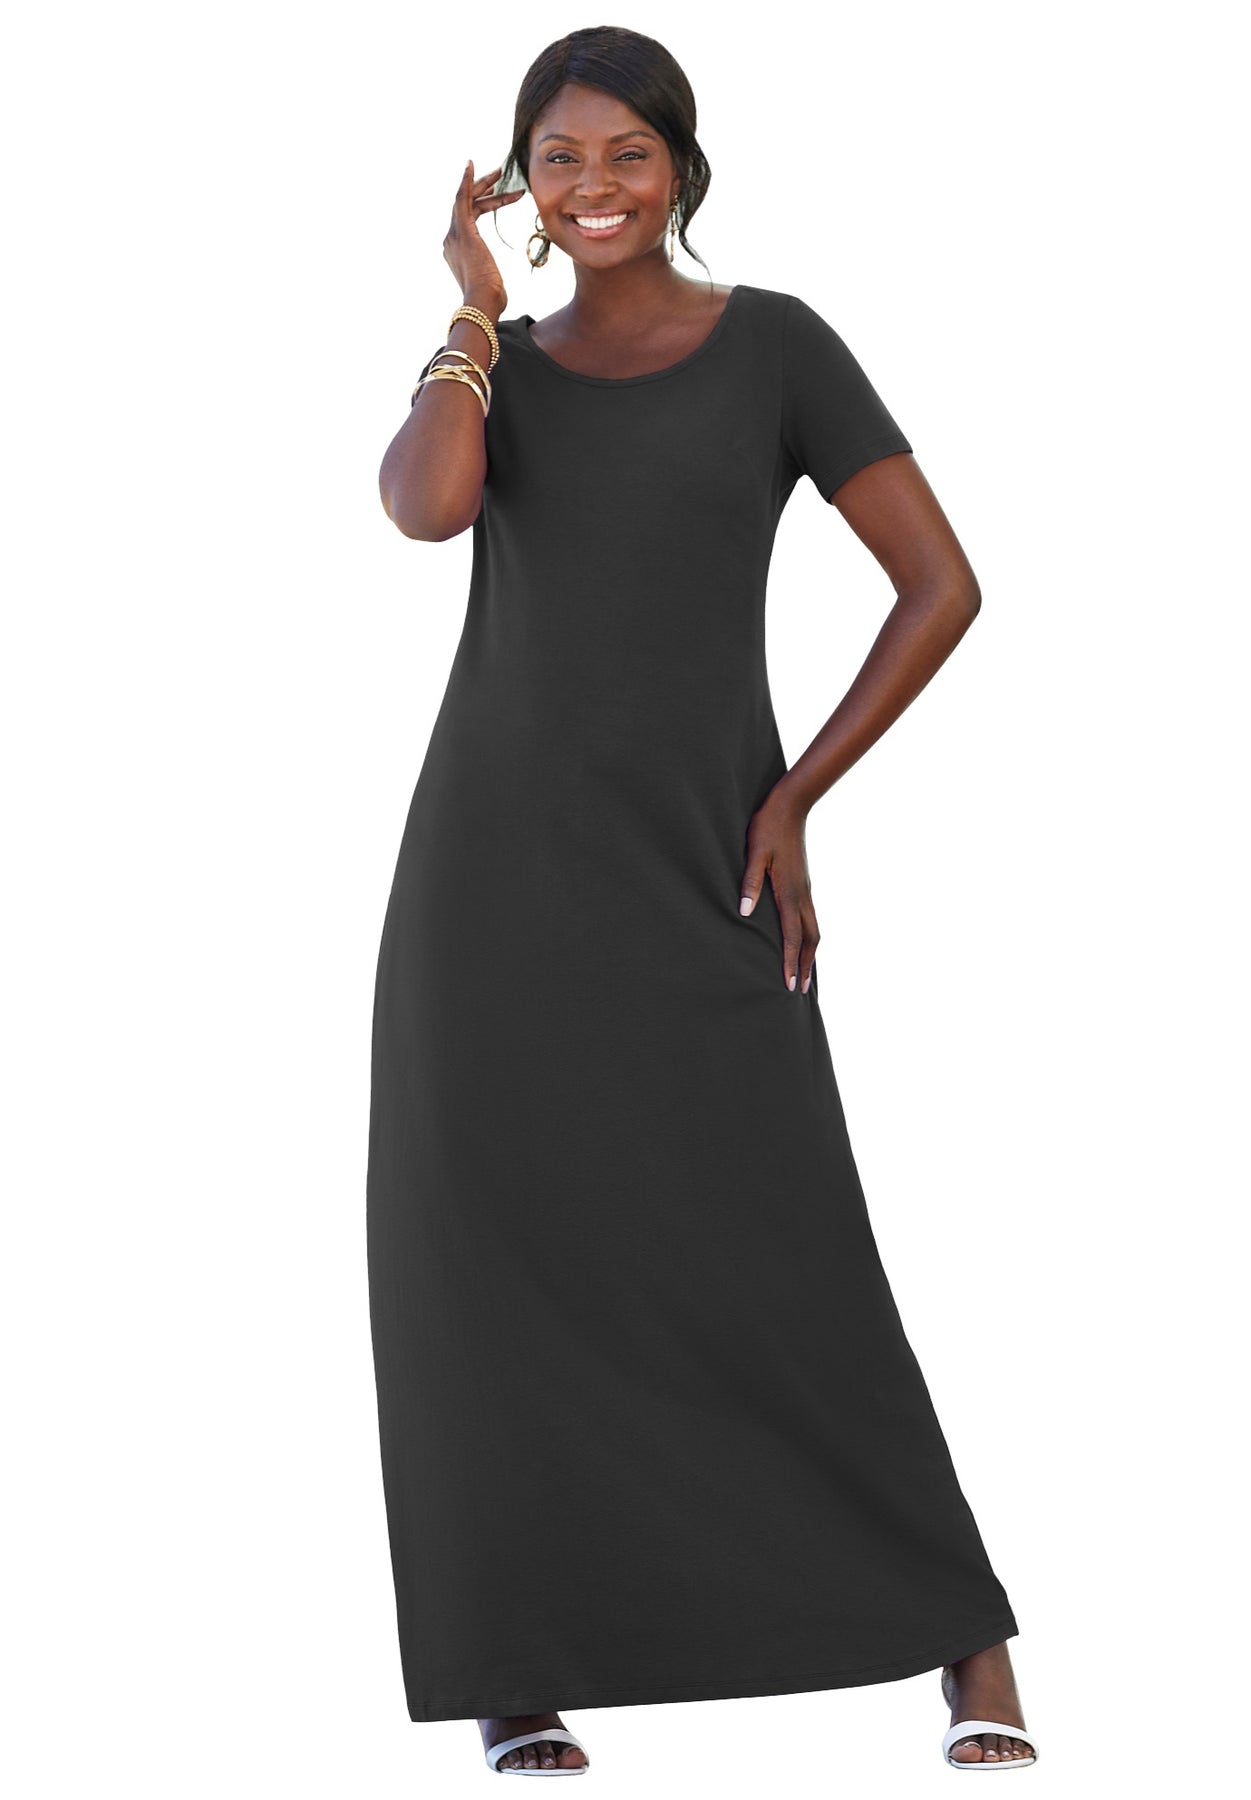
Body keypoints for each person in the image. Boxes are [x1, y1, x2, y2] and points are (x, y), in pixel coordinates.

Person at [368, 24, 1038, 1778]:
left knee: (785, 1245)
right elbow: (427, 513)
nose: (594, 187)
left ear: (682, 167)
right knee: (494, 1276)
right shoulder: (498, 368)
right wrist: (466, 309)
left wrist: (796, 792)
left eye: (628, 155)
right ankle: (516, 1666)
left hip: (697, 869)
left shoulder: (778, 347)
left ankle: (964, 1640)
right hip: (490, 888)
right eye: (559, 160)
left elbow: (941, 585)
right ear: (519, 188)